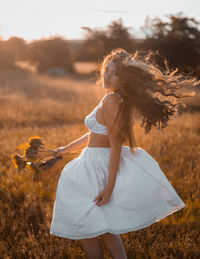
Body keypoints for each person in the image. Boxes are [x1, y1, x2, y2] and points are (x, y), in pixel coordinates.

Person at [50, 48, 199, 259]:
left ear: (125, 79)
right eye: (106, 70)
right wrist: (65, 149)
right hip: (92, 161)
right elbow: (93, 132)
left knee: (86, 228)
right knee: (103, 227)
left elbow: (115, 146)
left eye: (114, 73)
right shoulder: (113, 99)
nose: (107, 75)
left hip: (97, 166)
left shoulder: (111, 102)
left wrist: (108, 189)